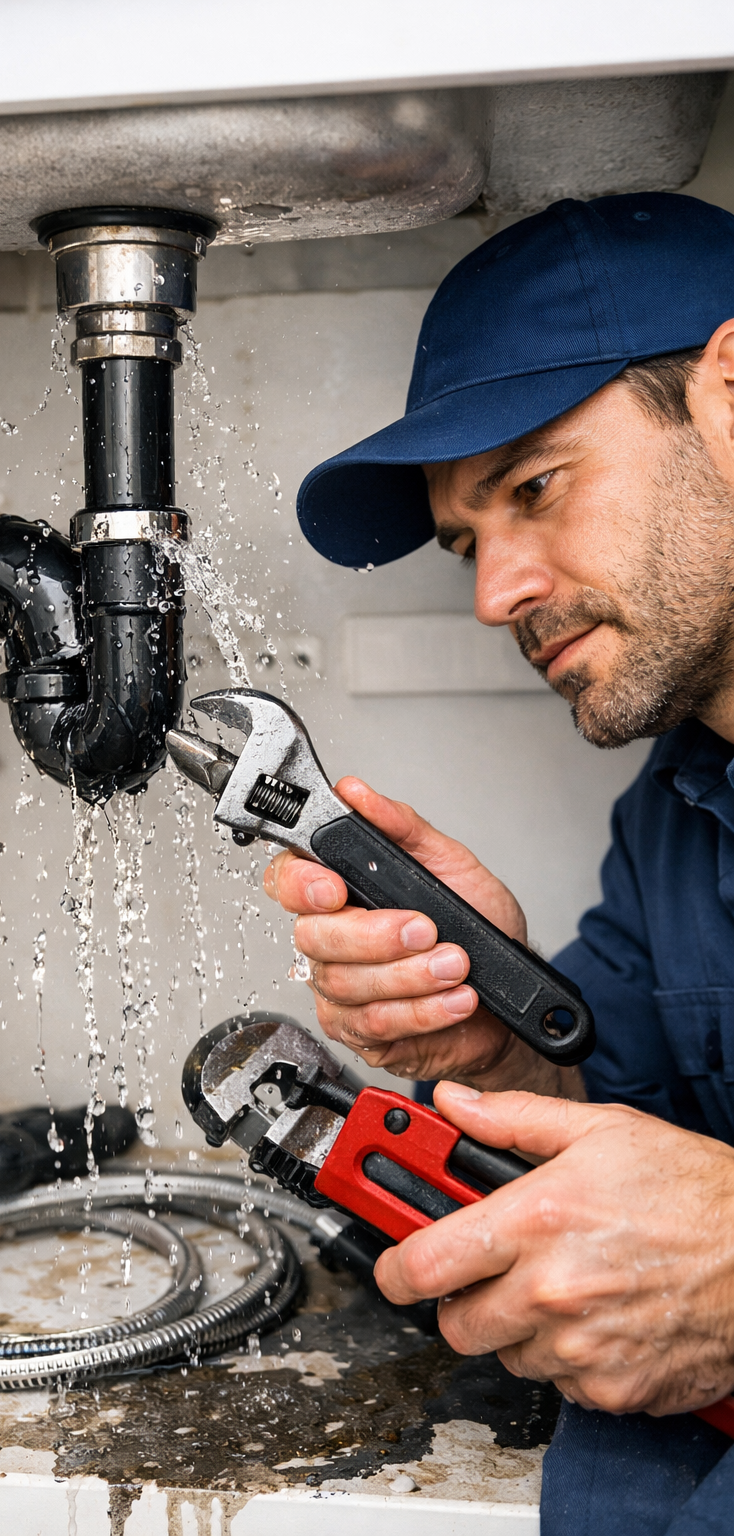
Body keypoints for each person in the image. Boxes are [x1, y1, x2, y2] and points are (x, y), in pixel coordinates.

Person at [270, 192, 734, 1535]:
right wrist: (499, 1038)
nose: (492, 594)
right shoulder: (676, 814)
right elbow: (633, 1129)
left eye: (536, 488)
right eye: (471, 541)